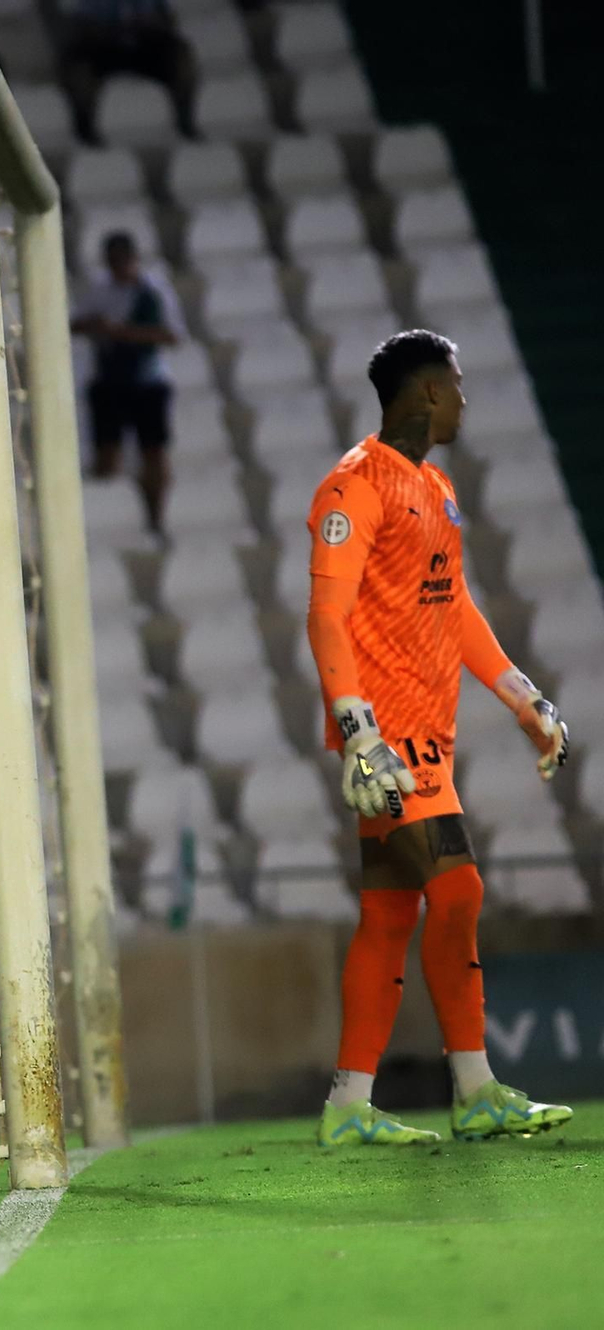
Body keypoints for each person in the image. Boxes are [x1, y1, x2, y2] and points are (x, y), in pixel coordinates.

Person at [304, 328, 573, 1147]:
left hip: (432, 730)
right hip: (388, 743)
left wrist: (521, 698)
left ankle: (350, 1105)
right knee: (457, 893)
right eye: (456, 385)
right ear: (426, 392)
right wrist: (358, 734)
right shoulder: (352, 487)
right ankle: (476, 1088)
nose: (464, 399)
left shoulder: (437, 489)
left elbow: (452, 608)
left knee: (389, 916)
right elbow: (326, 618)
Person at [71, 231, 184, 536]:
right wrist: (98, 327)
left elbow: (171, 335)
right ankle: (110, 513)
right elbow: (75, 323)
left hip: (147, 381)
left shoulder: (153, 291)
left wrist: (121, 332)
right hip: (109, 379)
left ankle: (155, 517)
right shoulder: (99, 290)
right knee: (106, 449)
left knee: (154, 451)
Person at [59, 0, 198, 145]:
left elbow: (165, 19)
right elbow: (81, 22)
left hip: (145, 44)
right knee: (77, 65)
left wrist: (151, 24)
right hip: (102, 45)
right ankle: (85, 129)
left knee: (181, 56)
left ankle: (185, 121)